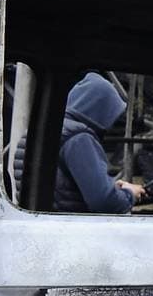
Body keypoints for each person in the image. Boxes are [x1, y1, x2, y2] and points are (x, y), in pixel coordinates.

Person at [55, 73, 144, 213]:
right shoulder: (79, 138)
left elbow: (64, 185)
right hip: (70, 226)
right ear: (100, 109)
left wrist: (109, 186)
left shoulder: (54, 128)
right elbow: (105, 202)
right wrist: (129, 194)